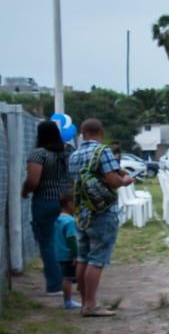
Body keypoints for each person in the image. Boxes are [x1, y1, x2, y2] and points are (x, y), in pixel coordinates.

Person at [66, 118, 131, 317]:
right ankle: (91, 305)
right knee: (97, 259)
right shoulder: (103, 152)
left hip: (82, 212)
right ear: (101, 132)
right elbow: (113, 180)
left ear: (82, 133)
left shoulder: (74, 155)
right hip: (102, 211)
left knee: (83, 257)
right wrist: (125, 180)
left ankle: (85, 300)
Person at [21, 118, 72, 296]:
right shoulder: (68, 151)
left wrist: (25, 190)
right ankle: (74, 279)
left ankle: (55, 285)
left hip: (45, 200)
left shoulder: (39, 154)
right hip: (68, 201)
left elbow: (33, 181)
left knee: (47, 242)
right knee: (70, 239)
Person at [52, 191, 80, 309]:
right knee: (68, 278)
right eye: (76, 203)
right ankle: (68, 302)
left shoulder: (58, 219)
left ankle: (68, 300)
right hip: (69, 254)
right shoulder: (70, 221)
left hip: (59, 253)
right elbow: (72, 239)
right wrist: (75, 255)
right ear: (69, 204)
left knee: (66, 276)